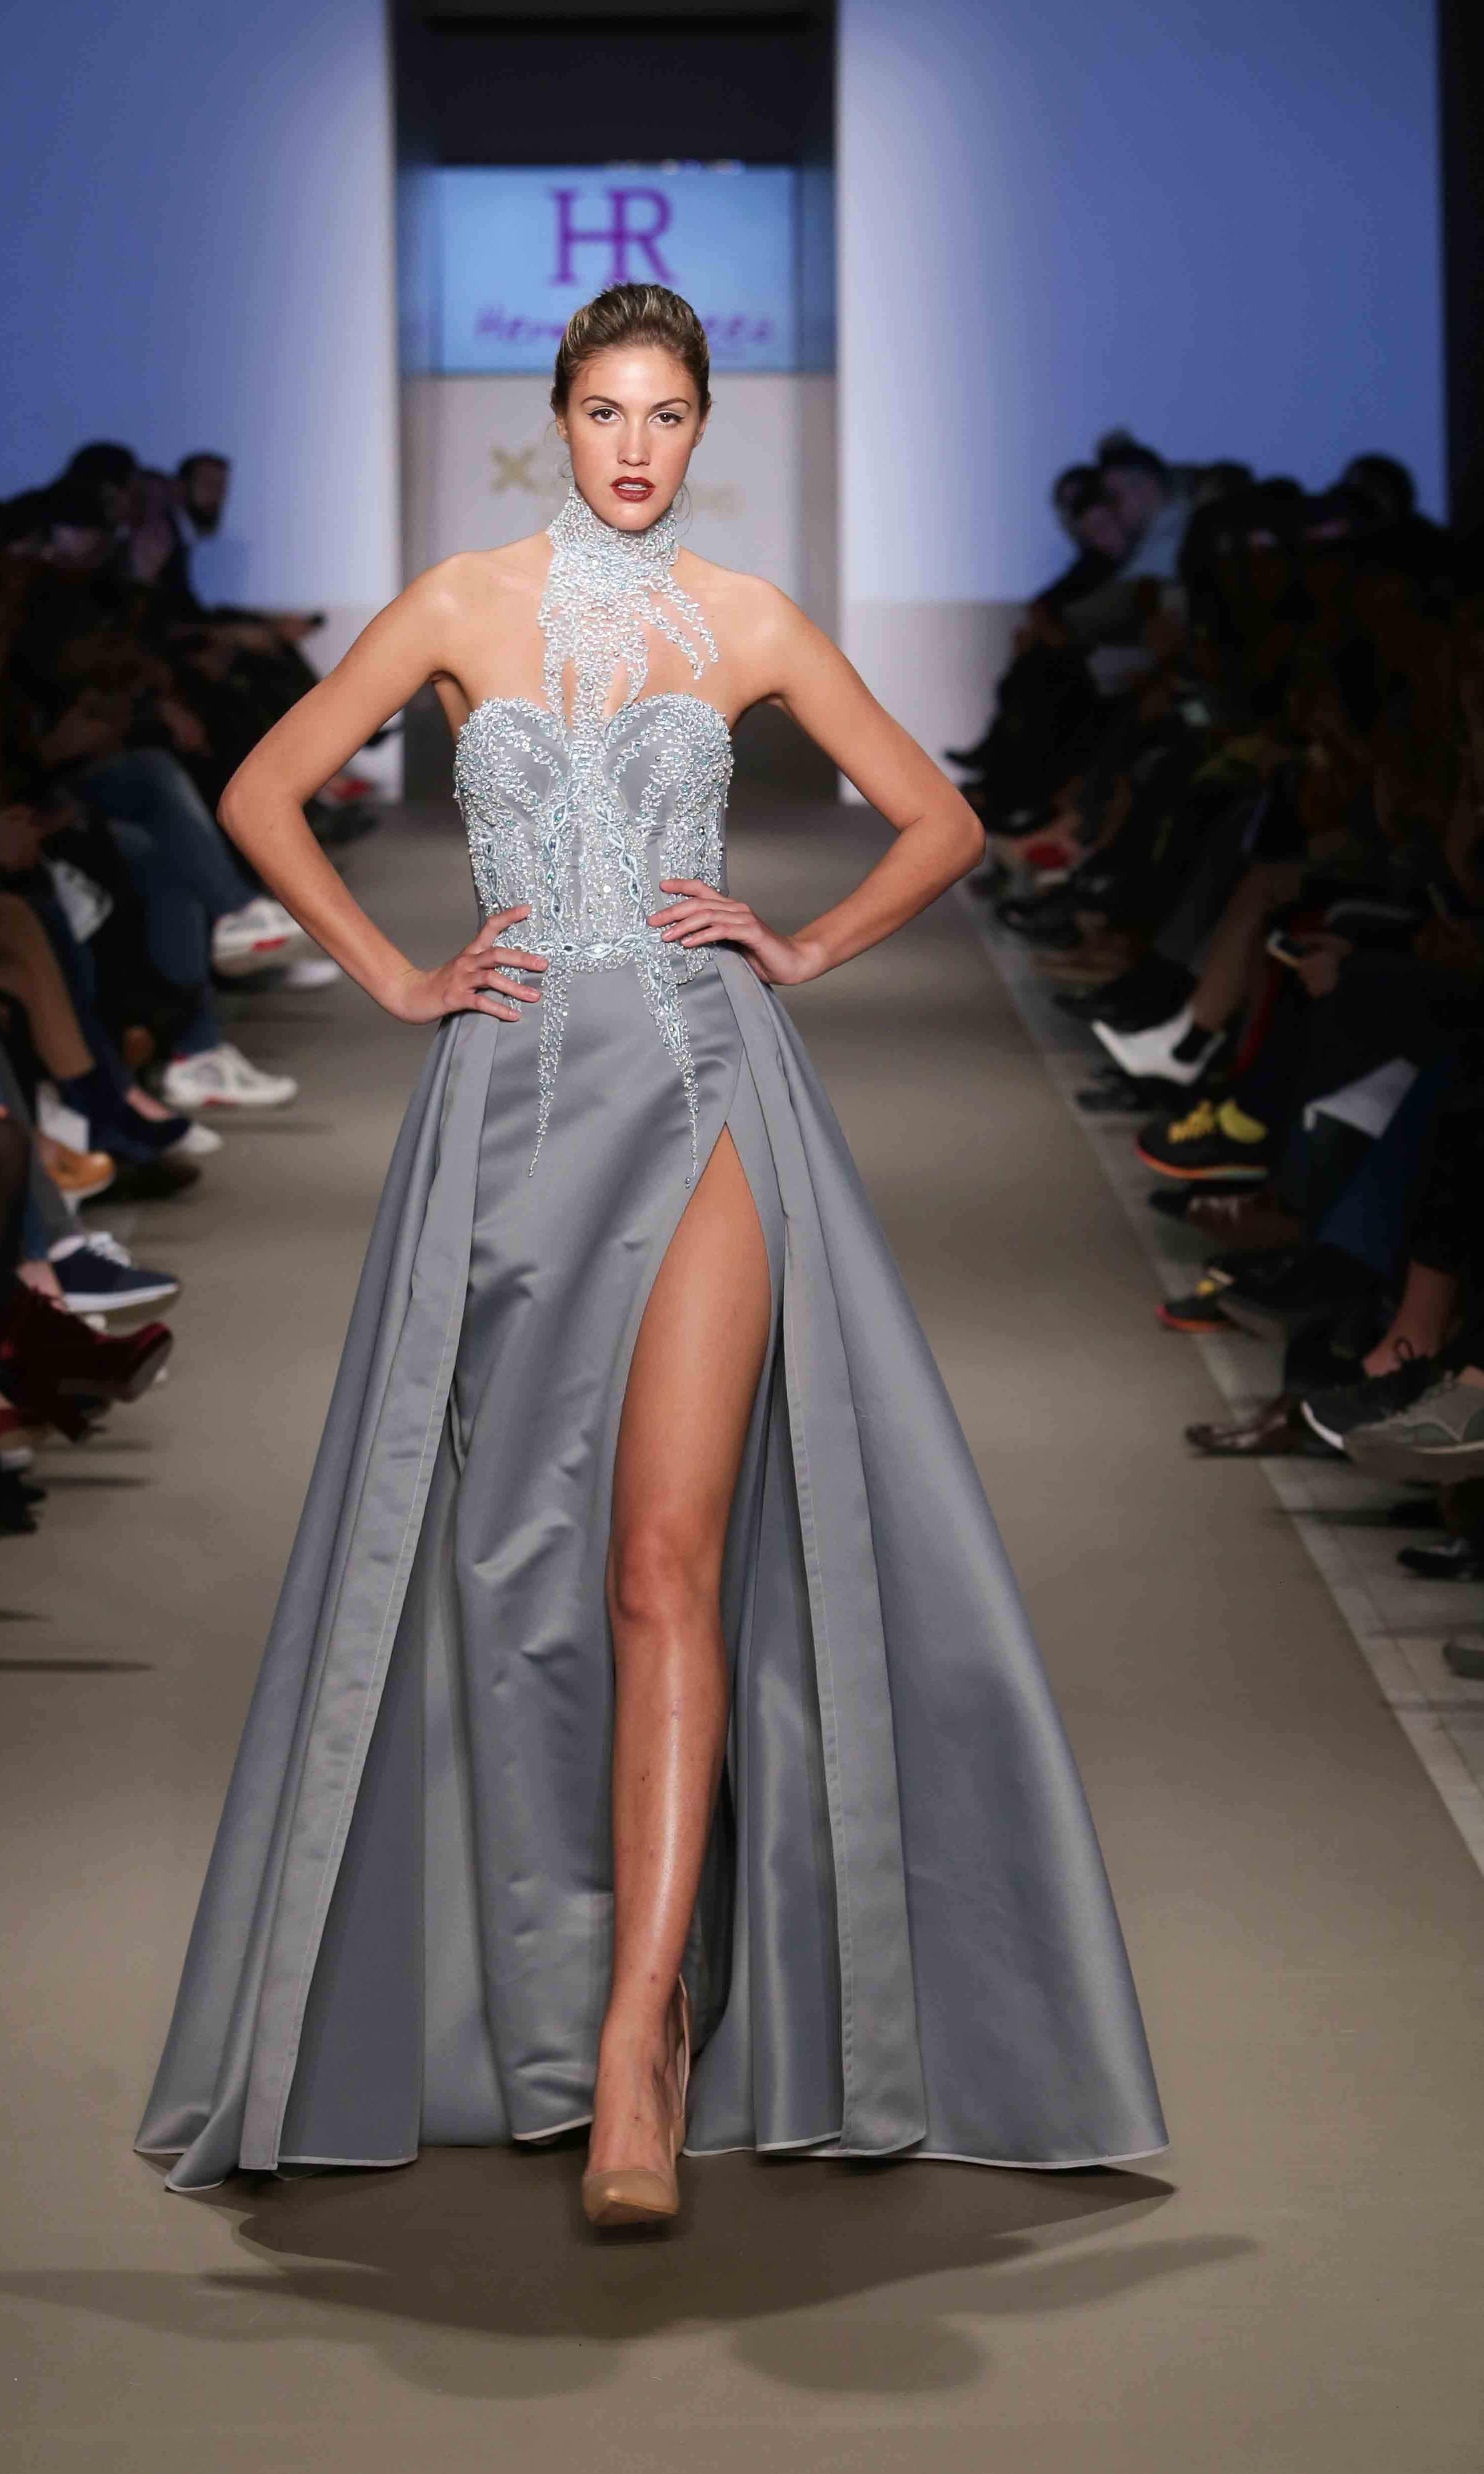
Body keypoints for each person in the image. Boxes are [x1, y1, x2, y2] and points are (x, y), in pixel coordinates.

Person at [137, 284, 1166, 2225]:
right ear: (557, 419)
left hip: (707, 1091)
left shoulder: (747, 620)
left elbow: (939, 820)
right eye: (604, 411)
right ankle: (556, 2000)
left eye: (666, 414)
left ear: (701, 427)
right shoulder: (459, 603)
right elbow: (260, 793)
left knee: (656, 1562)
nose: (632, 446)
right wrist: (399, 978)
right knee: (510, 1568)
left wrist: (801, 944)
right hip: (512, 1105)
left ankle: (637, 2034)